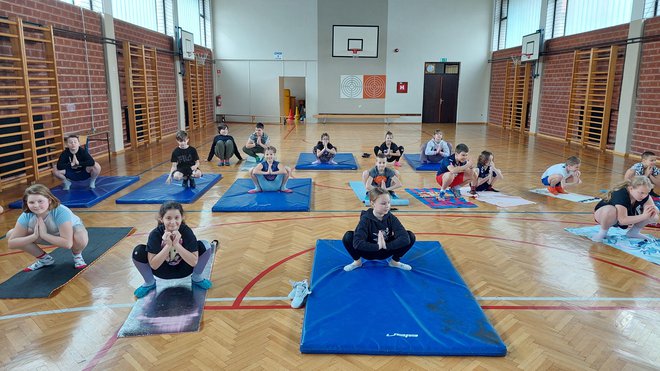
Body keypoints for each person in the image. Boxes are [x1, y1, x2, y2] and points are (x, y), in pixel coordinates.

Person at [132, 201, 215, 298]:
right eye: (168, 218)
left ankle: (197, 278)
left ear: (181, 218)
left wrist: (176, 244)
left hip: (184, 270)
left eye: (176, 218)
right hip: (162, 271)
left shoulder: (186, 231)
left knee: (205, 245)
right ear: (161, 219)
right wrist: (167, 246)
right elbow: (154, 265)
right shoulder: (155, 234)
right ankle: (149, 282)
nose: (173, 222)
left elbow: (193, 262)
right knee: (138, 251)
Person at [7, 184, 88, 271]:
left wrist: (44, 235)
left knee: (80, 235)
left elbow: (67, 244)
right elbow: (11, 243)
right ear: (26, 203)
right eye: (31, 202)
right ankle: (45, 259)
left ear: (49, 200)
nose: (36, 205)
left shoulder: (60, 211)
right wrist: (34, 236)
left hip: (68, 236)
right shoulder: (26, 215)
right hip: (44, 235)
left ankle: (77, 256)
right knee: (10, 234)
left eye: (40, 201)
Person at [342, 187, 416, 272]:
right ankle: (357, 262)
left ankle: (394, 262)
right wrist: (377, 246)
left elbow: (405, 239)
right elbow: (357, 243)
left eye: (389, 202)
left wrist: (386, 246)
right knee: (348, 236)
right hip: (368, 252)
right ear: (373, 204)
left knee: (410, 236)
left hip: (386, 250)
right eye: (383, 203)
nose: (387, 206)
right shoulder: (365, 219)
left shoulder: (391, 218)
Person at [592, 176, 659, 242]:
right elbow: (622, 220)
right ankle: (603, 232)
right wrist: (644, 216)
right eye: (641, 193)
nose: (644, 196)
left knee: (652, 212)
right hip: (605, 216)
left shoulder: (644, 196)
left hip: (623, 218)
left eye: (647, 193)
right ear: (631, 188)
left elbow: (655, 218)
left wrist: (653, 212)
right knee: (610, 210)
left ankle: (634, 232)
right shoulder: (621, 193)